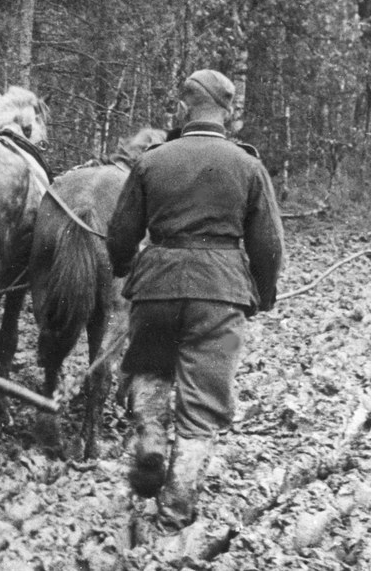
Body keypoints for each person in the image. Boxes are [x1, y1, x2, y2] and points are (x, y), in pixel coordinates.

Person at [106, 69, 284, 532]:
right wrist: (262, 296)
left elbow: (121, 233)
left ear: (184, 109)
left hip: (156, 288)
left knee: (148, 367)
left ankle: (149, 434)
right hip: (220, 295)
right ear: (227, 115)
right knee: (204, 401)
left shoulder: (151, 161)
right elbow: (269, 245)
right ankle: (177, 506)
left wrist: (126, 266)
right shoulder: (248, 166)